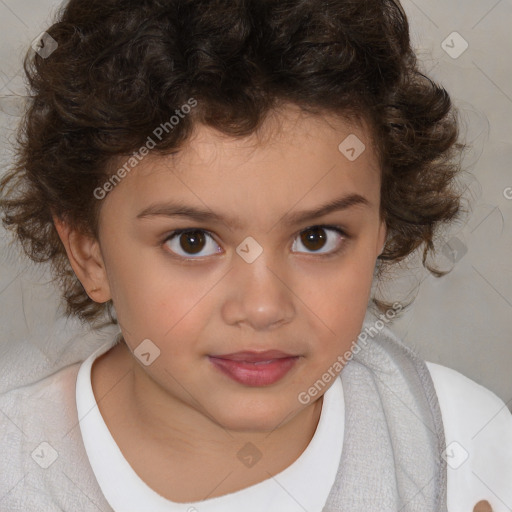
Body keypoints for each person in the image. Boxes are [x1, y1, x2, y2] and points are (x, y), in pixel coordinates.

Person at [0, 0, 511, 511]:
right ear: (89, 254)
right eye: (192, 241)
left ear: (381, 226)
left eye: (316, 237)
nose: (264, 307)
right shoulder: (17, 461)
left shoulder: (460, 448)